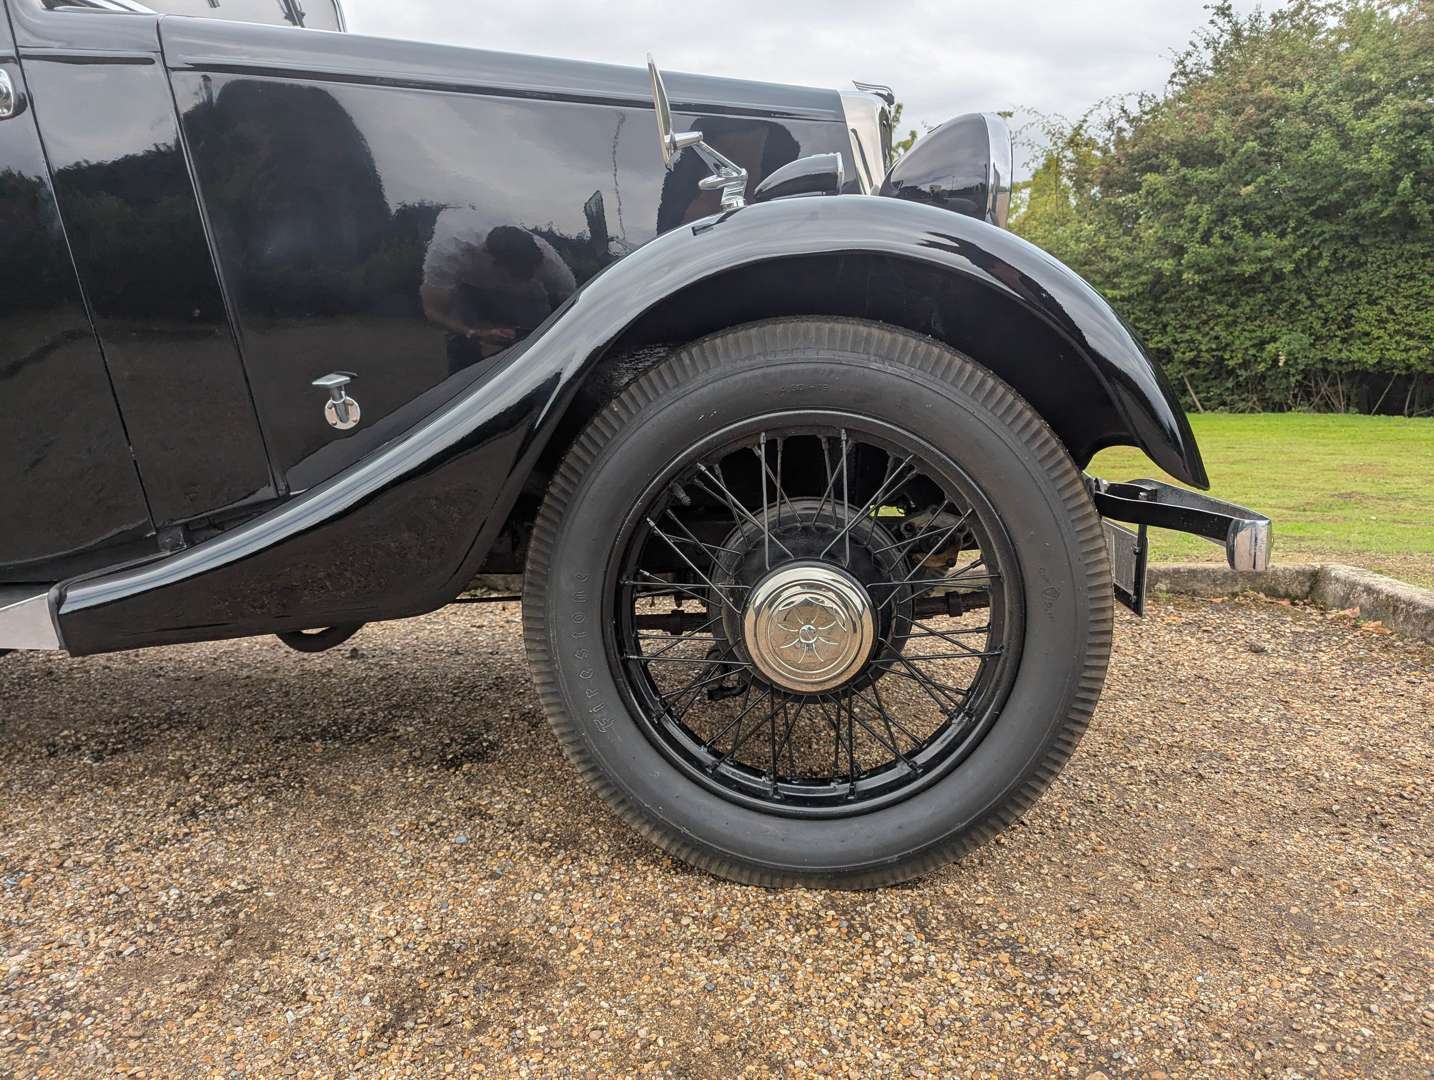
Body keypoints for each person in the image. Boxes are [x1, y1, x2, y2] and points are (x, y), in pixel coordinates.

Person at [420, 209, 577, 372]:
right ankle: (467, 381)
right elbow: (433, 311)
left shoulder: (550, 262)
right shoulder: (449, 252)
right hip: (465, 285)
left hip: (528, 293)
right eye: (516, 275)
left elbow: (574, 304)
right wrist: (474, 333)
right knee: (460, 338)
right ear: (491, 261)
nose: (522, 279)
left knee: (537, 334)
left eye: (529, 274)